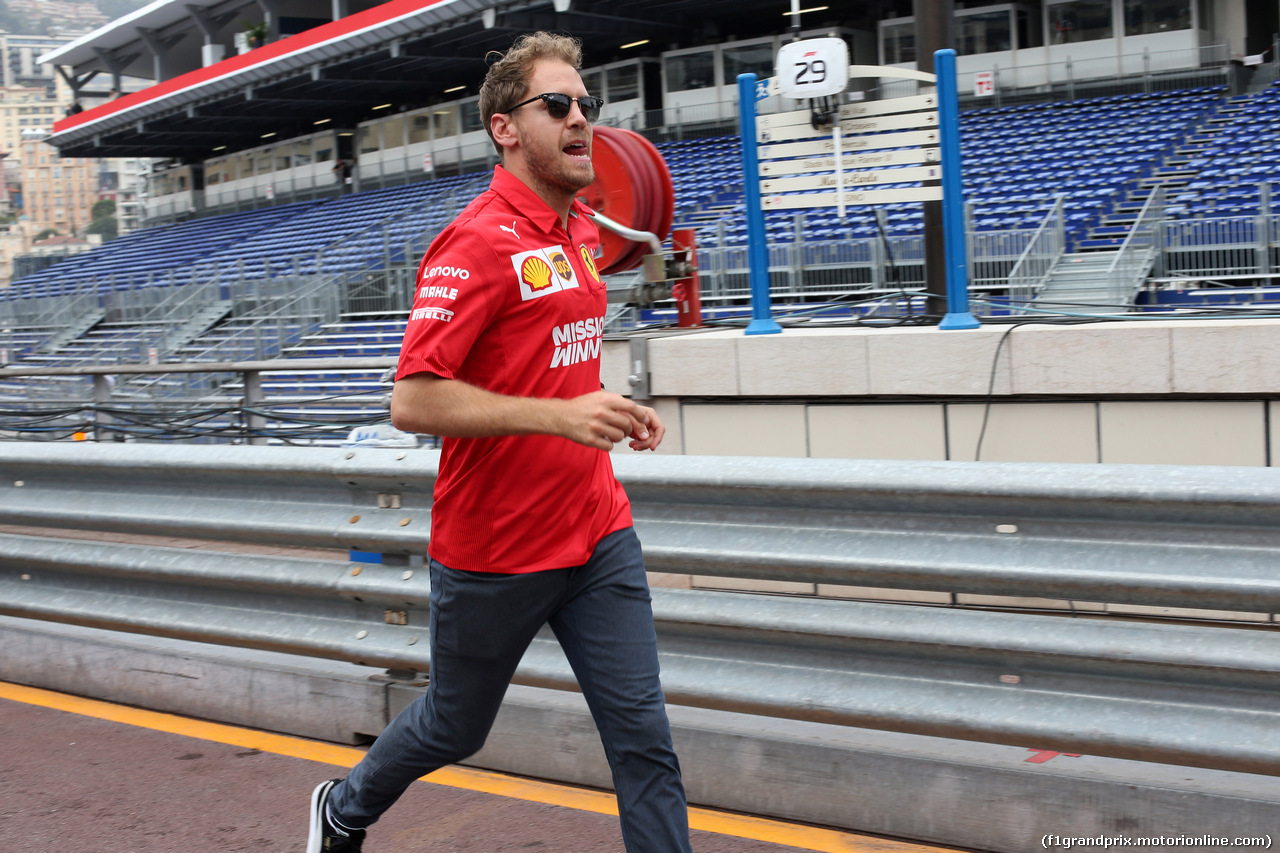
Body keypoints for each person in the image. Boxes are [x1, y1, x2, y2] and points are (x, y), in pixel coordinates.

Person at [306, 31, 693, 853]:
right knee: (456, 724)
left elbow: (552, 362)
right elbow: (411, 401)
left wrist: (607, 406)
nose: (581, 118)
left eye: (587, 104)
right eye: (558, 104)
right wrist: (558, 417)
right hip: (495, 550)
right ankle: (343, 807)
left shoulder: (582, 230)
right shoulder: (475, 242)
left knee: (644, 739)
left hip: (595, 532)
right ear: (505, 127)